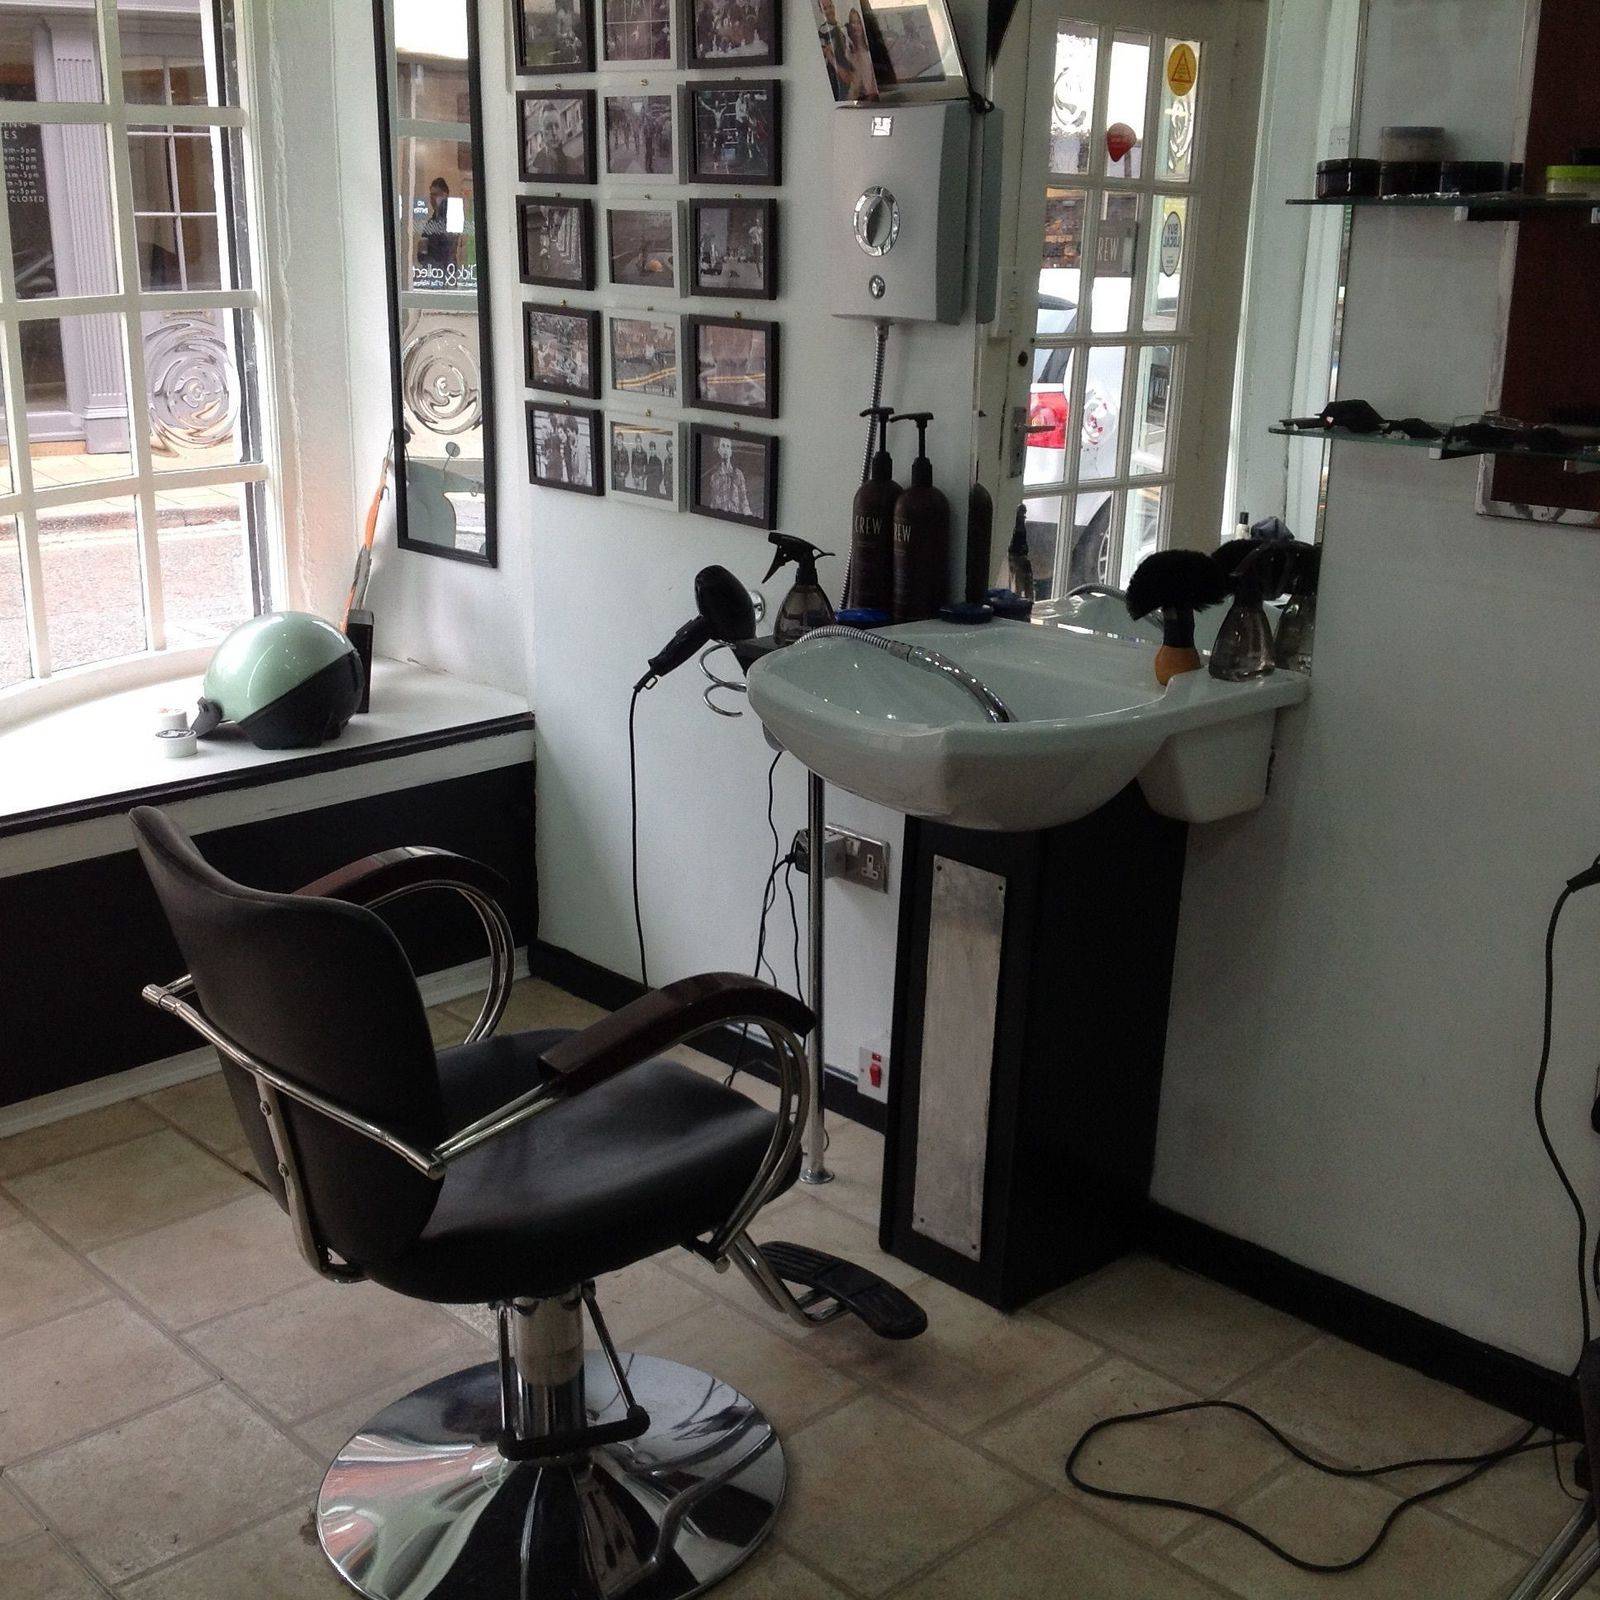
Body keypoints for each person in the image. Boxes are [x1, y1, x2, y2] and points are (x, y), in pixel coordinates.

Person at [414, 178, 461, 286]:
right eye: (431, 195)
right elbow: (422, 254)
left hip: (445, 275)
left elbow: (448, 248)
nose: (432, 199)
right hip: (433, 275)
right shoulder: (432, 221)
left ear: (444, 195)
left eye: (435, 195)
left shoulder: (452, 217)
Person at [704, 434, 754, 517]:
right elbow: (713, 502)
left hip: (734, 516)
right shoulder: (714, 476)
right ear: (719, 450)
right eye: (723, 446)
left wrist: (748, 515)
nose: (725, 449)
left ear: (730, 451)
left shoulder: (738, 474)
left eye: (728, 446)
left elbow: (743, 498)